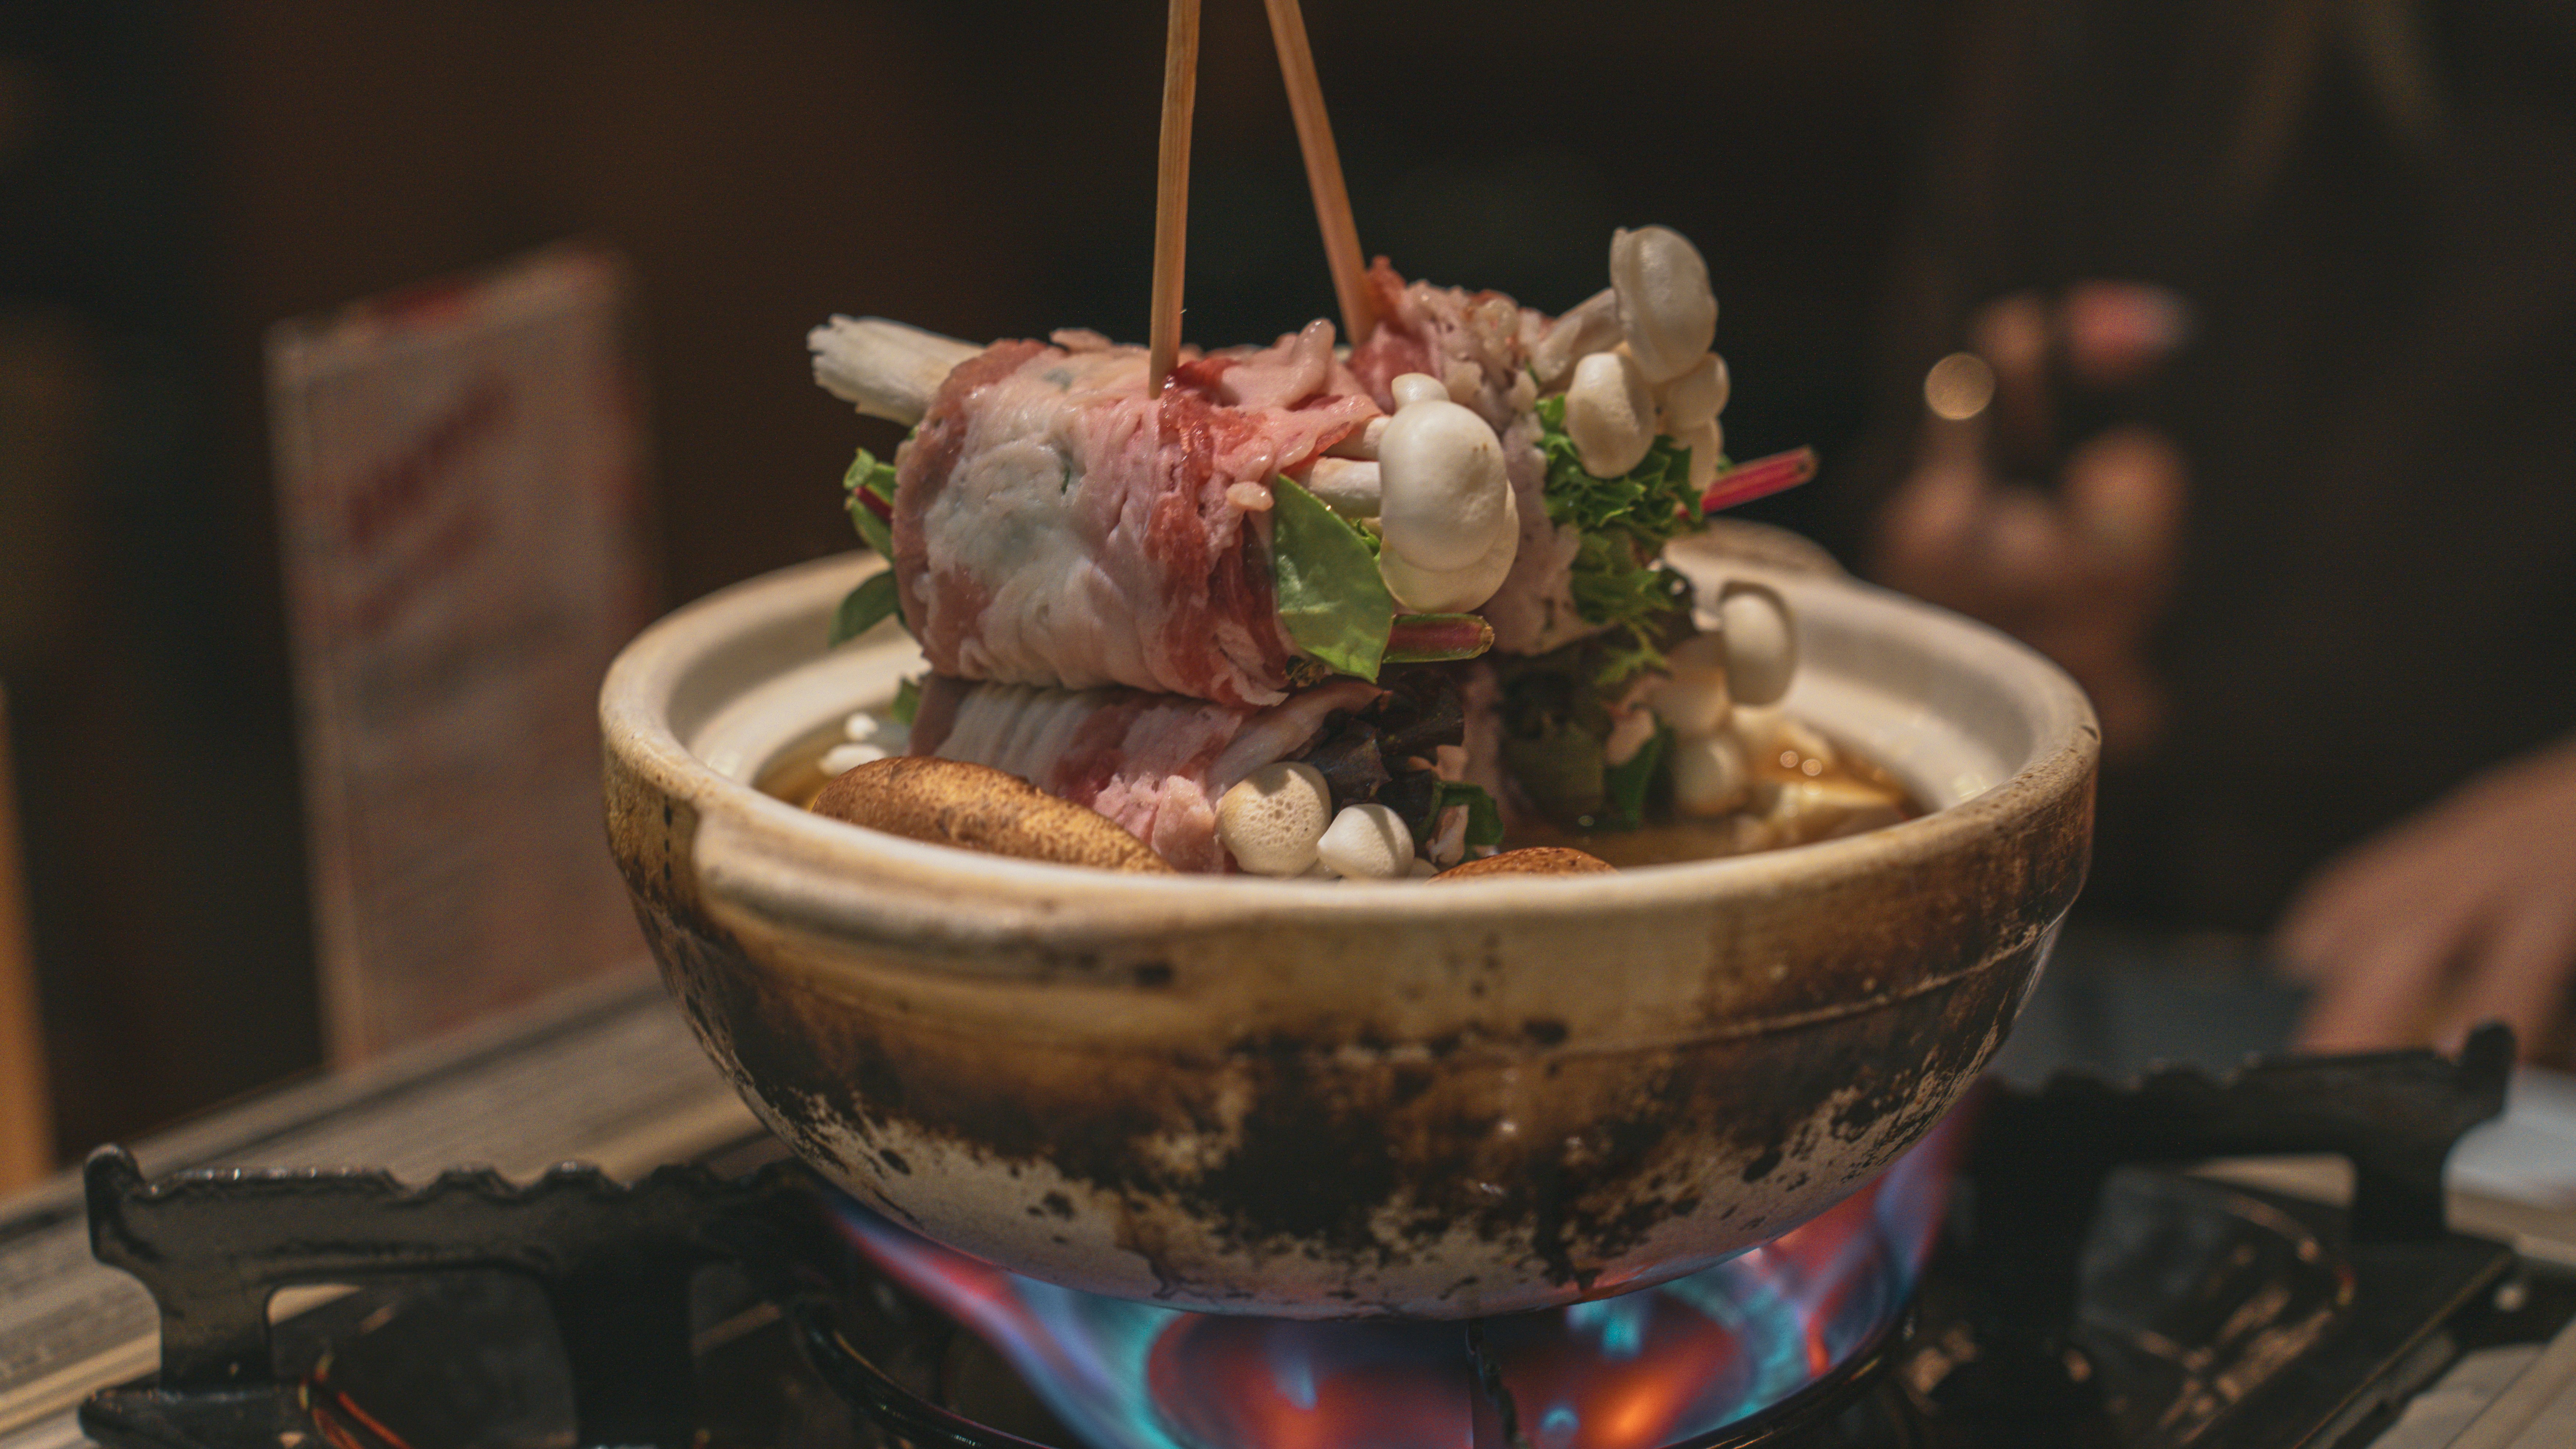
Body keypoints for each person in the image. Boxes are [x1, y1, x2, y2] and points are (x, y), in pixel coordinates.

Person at [1853, 0, 2576, 1057]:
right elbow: (1940, 433)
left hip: (2490, 1036)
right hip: (2112, 972)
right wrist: (1990, 579)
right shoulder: (2112, 44)